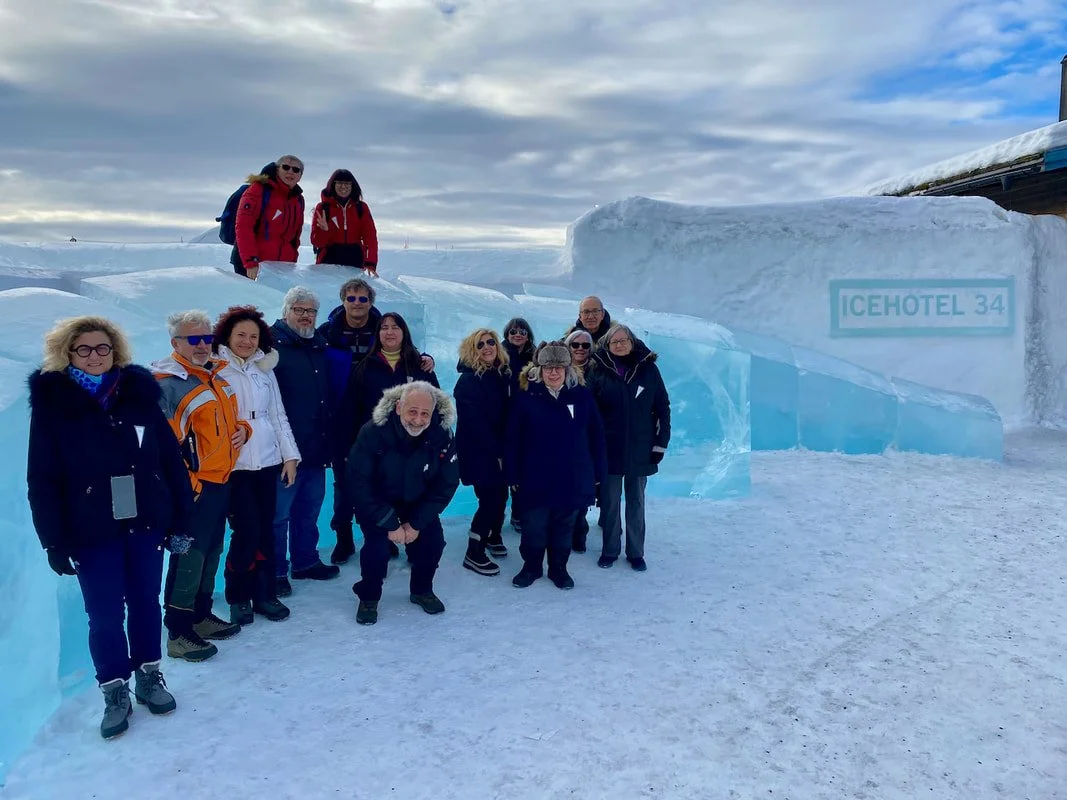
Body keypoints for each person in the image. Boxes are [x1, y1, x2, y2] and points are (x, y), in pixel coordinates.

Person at [28, 316, 192, 739]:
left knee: (144, 603)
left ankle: (148, 675)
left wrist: (180, 520)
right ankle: (114, 688)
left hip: (145, 522)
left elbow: (170, 461)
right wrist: (53, 541)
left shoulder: (139, 395)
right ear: (68, 354)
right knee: (102, 615)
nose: (95, 356)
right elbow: (42, 479)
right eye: (84, 349)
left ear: (115, 350)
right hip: (91, 529)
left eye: (102, 348)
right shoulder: (54, 405)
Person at [152, 311, 249, 662]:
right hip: (194, 488)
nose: (202, 345)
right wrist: (188, 485)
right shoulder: (169, 383)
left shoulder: (216, 376)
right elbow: (164, 448)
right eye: (193, 339)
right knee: (188, 558)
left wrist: (244, 430)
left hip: (220, 482)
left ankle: (201, 615)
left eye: (206, 338)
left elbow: (229, 423)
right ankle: (179, 631)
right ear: (175, 343)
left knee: (210, 553)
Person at [213, 306, 300, 624]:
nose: (247, 341)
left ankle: (264, 593)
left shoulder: (264, 368)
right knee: (245, 530)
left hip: (267, 458)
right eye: (241, 335)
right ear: (227, 335)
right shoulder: (215, 367)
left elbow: (278, 414)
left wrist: (290, 456)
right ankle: (238, 595)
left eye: (253, 336)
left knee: (265, 529)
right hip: (234, 463)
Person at [346, 382, 459, 625]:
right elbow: (358, 482)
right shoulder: (373, 432)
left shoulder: (442, 435)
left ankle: (421, 590)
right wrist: (390, 523)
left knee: (433, 543)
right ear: (398, 407)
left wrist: (416, 523)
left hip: (416, 504)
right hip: (378, 503)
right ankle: (369, 596)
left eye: (425, 414)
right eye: (412, 411)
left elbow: (446, 484)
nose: (417, 420)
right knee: (376, 551)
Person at [335, 311, 439, 561]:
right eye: (384, 327)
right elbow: (351, 411)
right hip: (377, 448)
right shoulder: (364, 368)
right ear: (377, 334)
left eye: (395, 327)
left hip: (414, 447)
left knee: (413, 495)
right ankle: (382, 540)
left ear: (404, 332)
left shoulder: (419, 366)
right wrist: (347, 450)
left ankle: (415, 544)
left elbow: (436, 406)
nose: (389, 332)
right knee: (379, 495)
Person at [505, 341, 607, 590]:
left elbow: (596, 435)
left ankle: (559, 569)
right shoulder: (526, 397)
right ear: (540, 369)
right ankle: (531, 567)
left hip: (572, 476)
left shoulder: (581, 396)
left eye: (559, 368)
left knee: (564, 526)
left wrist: (598, 472)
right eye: (548, 367)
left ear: (567, 370)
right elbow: (512, 438)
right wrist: (512, 474)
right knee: (534, 526)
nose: (553, 372)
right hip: (535, 476)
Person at [270, 287, 340, 598]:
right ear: (285, 311)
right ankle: (274, 571)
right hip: (283, 451)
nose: (305, 315)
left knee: (309, 509)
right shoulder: (270, 347)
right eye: (299, 309)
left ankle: (305, 561)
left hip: (316, 446)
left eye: (310, 311)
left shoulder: (319, 345)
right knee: (278, 514)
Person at [587, 323, 671, 571]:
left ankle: (636, 552)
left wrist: (660, 444)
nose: (620, 344)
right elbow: (589, 412)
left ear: (632, 342)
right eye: (615, 341)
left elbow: (662, 407)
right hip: (609, 448)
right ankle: (610, 550)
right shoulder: (598, 370)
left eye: (624, 340)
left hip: (640, 448)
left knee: (636, 501)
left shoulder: (648, 370)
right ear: (607, 345)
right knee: (610, 502)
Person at [454, 328, 512, 574]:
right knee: (490, 500)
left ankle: (491, 536)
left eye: (491, 342)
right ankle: (473, 551)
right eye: (480, 344)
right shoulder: (468, 380)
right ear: (472, 350)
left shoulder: (499, 375)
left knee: (500, 497)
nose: (487, 347)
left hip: (495, 449)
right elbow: (475, 423)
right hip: (480, 452)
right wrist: (498, 452)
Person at [233, 155, 306, 280]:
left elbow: (295, 237)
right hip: (254, 265)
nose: (290, 172)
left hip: (282, 267)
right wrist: (250, 262)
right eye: (286, 167)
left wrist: (292, 262)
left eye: (295, 170)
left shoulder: (298, 200)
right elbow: (243, 228)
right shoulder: (258, 191)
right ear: (277, 170)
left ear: (300, 176)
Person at [500, 317, 535, 533]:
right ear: (507, 334)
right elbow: (465, 362)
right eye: (513, 331)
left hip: (528, 417)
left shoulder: (535, 356)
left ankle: (521, 512)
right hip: (504, 416)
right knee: (507, 463)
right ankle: (503, 515)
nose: (518, 334)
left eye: (522, 330)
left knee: (525, 464)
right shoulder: (499, 354)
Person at [310, 169, 379, 276]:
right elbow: (317, 242)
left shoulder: (361, 208)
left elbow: (370, 237)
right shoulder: (323, 208)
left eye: (347, 183)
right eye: (339, 183)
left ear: (353, 186)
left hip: (355, 258)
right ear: (333, 185)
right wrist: (324, 231)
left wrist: (370, 263)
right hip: (328, 258)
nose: (343, 186)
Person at [564, 328, 595, 552]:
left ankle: (579, 531)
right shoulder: (557, 370)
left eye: (585, 346)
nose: (580, 349)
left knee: (583, 488)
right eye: (576, 345)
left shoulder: (599, 371)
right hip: (564, 440)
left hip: (589, 436)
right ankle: (567, 532)